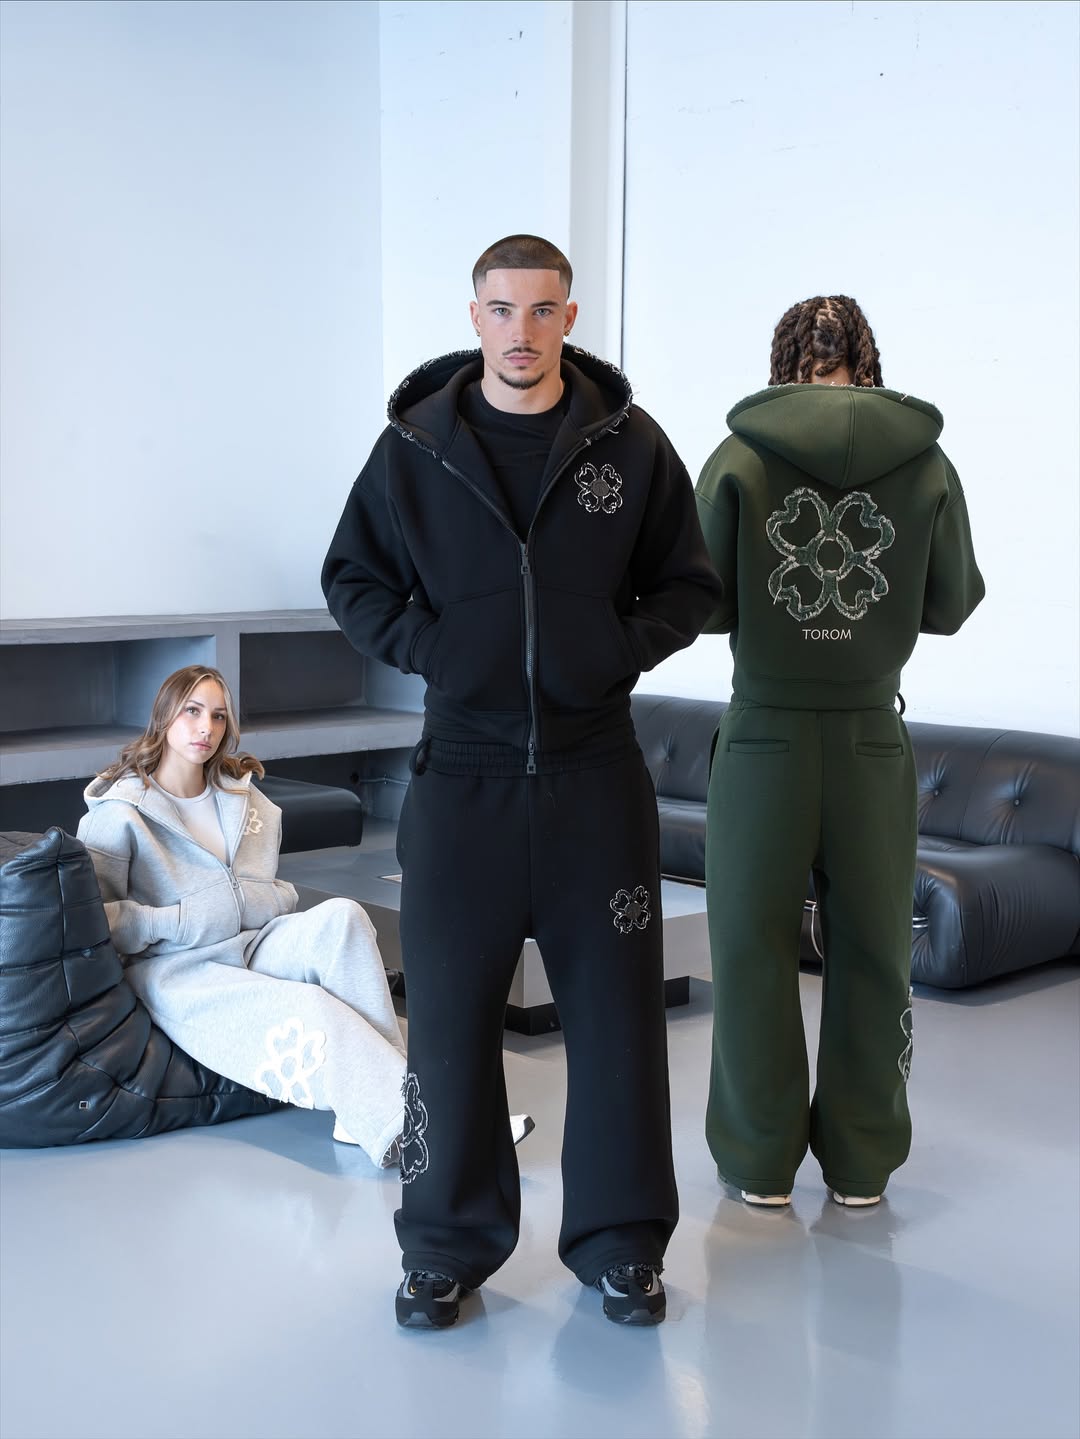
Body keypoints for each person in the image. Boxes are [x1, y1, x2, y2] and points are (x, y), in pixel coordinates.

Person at [322, 233, 723, 1327]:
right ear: (475, 316)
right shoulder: (414, 448)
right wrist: (435, 646)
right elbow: (351, 576)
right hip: (463, 783)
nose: (521, 331)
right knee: (450, 1028)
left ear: (569, 317)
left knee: (620, 1025)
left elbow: (688, 583)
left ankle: (623, 1245)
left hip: (597, 781)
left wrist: (614, 647)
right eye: (502, 309)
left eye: (543, 310)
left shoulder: (631, 446)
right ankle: (442, 1246)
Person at [694, 295, 985, 1209]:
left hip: (765, 737)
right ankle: (862, 1162)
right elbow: (951, 603)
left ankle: (760, 1161)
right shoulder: (926, 463)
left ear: (785, 359)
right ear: (868, 358)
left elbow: (702, 600)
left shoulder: (741, 456)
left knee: (752, 947)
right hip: (869, 737)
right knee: (873, 950)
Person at [76, 664, 534, 1167]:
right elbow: (97, 923)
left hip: (252, 942)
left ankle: (389, 1108)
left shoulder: (244, 800)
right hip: (180, 970)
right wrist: (180, 920)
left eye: (219, 716)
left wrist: (263, 899)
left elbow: (263, 892)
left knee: (344, 918)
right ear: (164, 715)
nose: (206, 727)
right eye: (192, 711)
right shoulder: (121, 813)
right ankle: (443, 1132)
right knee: (312, 1007)